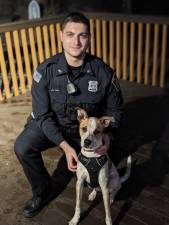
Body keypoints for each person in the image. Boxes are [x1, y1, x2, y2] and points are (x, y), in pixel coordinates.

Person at [14, 12, 123, 218]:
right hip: (53, 125)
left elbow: (116, 111)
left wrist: (109, 137)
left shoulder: (103, 72)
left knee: (106, 172)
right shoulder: (45, 71)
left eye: (82, 35)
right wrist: (64, 146)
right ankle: (43, 191)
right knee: (22, 146)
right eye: (71, 34)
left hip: (87, 131)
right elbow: (42, 115)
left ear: (89, 38)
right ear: (61, 36)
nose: (76, 41)